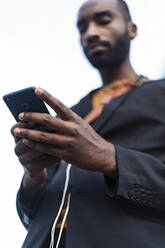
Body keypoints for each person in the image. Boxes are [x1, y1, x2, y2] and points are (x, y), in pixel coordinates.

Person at [11, 0, 165, 247]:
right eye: (82, 28)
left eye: (103, 21)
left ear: (131, 28)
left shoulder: (160, 93)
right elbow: (30, 213)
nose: (91, 33)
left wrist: (111, 159)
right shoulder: (72, 112)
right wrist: (33, 177)